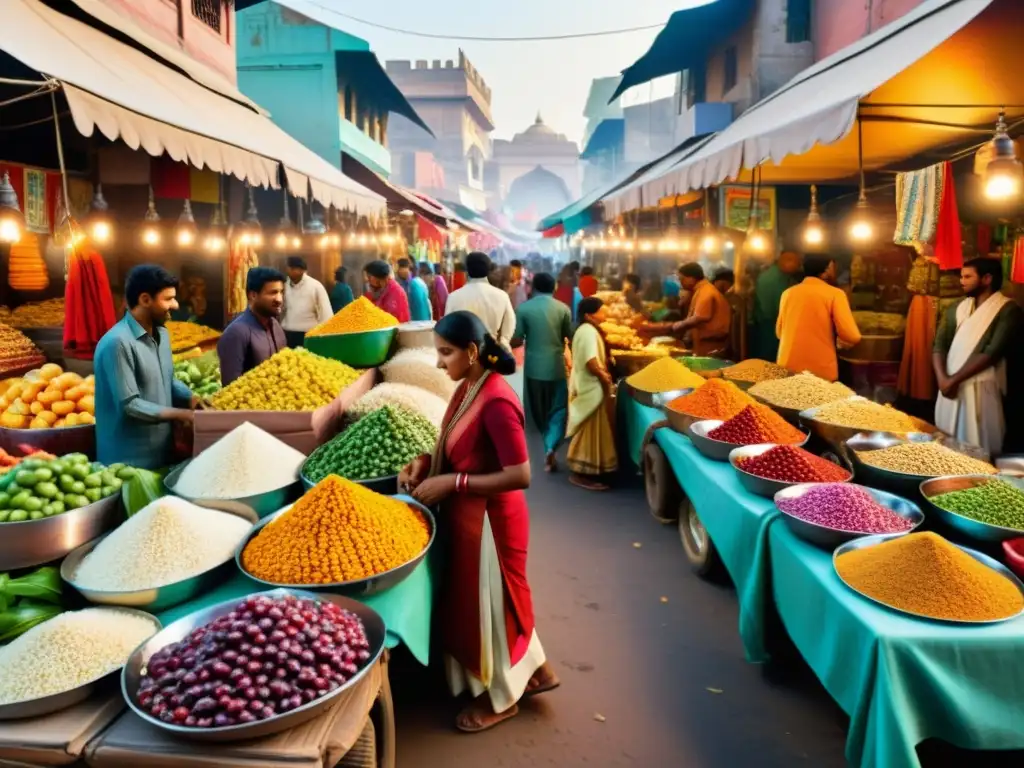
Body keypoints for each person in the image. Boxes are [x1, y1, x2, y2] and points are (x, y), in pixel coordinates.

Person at [398, 311, 559, 733]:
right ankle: (536, 670)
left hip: (492, 521)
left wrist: (454, 482)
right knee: (501, 605)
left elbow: (520, 474)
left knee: (492, 608)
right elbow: (452, 441)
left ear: (471, 352)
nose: (438, 363)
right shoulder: (470, 385)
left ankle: (503, 698)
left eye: (445, 353)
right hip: (471, 513)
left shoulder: (498, 400)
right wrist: (423, 464)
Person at [94, 265, 200, 469]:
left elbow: (165, 379)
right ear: (144, 299)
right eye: (168, 299)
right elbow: (130, 405)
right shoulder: (117, 343)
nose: (176, 305)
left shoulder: (162, 335)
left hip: (161, 454)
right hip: (127, 462)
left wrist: (190, 398)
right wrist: (182, 415)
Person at [933, 258, 1023, 455]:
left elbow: (992, 352)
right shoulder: (957, 307)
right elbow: (939, 345)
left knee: (978, 447)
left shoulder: (1008, 310)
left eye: (967, 276)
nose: (961, 281)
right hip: (948, 386)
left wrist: (954, 380)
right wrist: (943, 380)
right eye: (961, 276)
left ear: (987, 279)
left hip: (981, 387)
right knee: (945, 448)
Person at [511, 272, 572, 471]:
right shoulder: (563, 309)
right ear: (554, 287)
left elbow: (517, 340)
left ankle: (546, 443)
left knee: (537, 410)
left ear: (533, 287)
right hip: (556, 367)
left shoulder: (524, 309)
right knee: (558, 409)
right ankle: (551, 446)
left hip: (533, 369)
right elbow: (567, 336)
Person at [776, 254, 861, 381]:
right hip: (819, 371)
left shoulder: (787, 293)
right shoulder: (835, 294)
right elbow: (852, 335)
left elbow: (779, 333)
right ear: (826, 270)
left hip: (787, 367)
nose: (835, 270)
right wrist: (840, 342)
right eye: (833, 267)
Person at [566, 297, 617, 490]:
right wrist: (605, 378)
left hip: (589, 386)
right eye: (602, 311)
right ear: (589, 315)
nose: (605, 314)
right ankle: (581, 473)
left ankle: (593, 469)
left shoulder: (587, 330)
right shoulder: (587, 332)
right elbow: (591, 361)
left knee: (593, 431)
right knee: (588, 431)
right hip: (590, 387)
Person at [218, 267, 287, 386]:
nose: (279, 299)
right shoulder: (236, 332)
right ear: (253, 295)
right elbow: (230, 388)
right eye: (273, 293)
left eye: (281, 292)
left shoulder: (276, 326)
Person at [445, 251, 516, 348]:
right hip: (491, 353)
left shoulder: (453, 297)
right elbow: (510, 323)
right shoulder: (502, 296)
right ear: (488, 270)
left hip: (464, 354)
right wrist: (504, 341)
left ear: (467, 270)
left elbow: (448, 330)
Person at [670, 263, 731, 356]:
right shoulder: (701, 289)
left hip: (711, 344)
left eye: (681, 279)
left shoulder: (706, 291)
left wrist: (680, 325)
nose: (680, 283)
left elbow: (701, 316)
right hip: (706, 342)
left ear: (691, 279)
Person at [750, 251, 801, 361]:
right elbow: (772, 308)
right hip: (769, 325)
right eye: (796, 262)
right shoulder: (772, 279)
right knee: (769, 361)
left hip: (771, 324)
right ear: (785, 261)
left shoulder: (781, 276)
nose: (798, 266)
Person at [281, 256, 332, 348]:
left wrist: (324, 337)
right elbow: (281, 310)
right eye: (288, 268)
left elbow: (326, 314)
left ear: (301, 271)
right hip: (287, 335)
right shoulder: (284, 286)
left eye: (292, 269)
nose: (288, 271)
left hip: (308, 336)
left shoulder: (316, 286)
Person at [396, 257, 431, 322]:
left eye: (399, 268)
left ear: (407, 268)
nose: (398, 271)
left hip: (417, 321)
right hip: (422, 321)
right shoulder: (417, 281)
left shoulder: (414, 284)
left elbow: (418, 307)